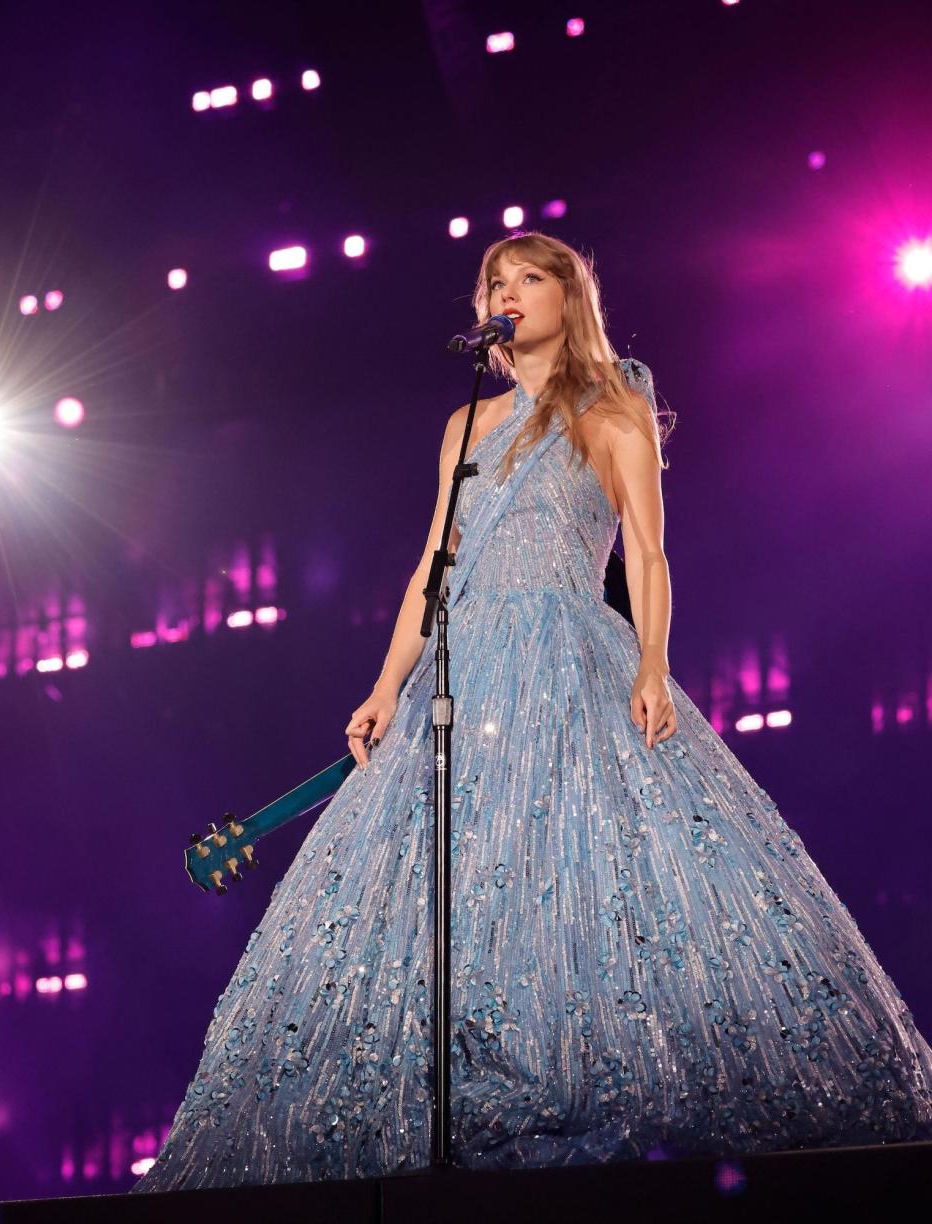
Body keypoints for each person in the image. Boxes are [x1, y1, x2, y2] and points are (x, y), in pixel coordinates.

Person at [132, 232, 932, 1192]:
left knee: (570, 869)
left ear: (569, 296)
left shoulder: (610, 404)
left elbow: (647, 551)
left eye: (529, 278)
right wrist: (387, 684)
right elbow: (434, 569)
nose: (508, 294)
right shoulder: (464, 427)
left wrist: (650, 660)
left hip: (567, 659)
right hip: (462, 674)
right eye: (495, 282)